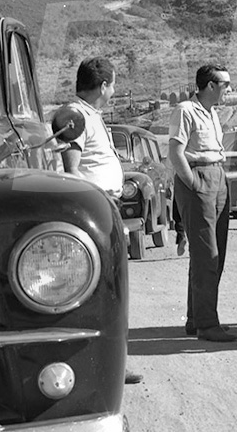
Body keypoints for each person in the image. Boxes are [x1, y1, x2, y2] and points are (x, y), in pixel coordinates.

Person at [60, 56, 143, 384]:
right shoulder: (77, 115)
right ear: (104, 85)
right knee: (103, 290)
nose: (114, 91)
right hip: (95, 210)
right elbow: (72, 170)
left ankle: (109, 363)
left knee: (110, 289)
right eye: (114, 84)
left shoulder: (89, 114)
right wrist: (97, 203)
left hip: (104, 206)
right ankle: (104, 367)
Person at [168, 64, 235, 342]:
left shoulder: (212, 113)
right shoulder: (186, 110)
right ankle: (207, 324)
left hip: (217, 176)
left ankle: (196, 318)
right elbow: (175, 151)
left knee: (212, 253)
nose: (228, 89)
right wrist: (193, 183)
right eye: (225, 84)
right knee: (207, 254)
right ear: (210, 85)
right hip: (200, 177)